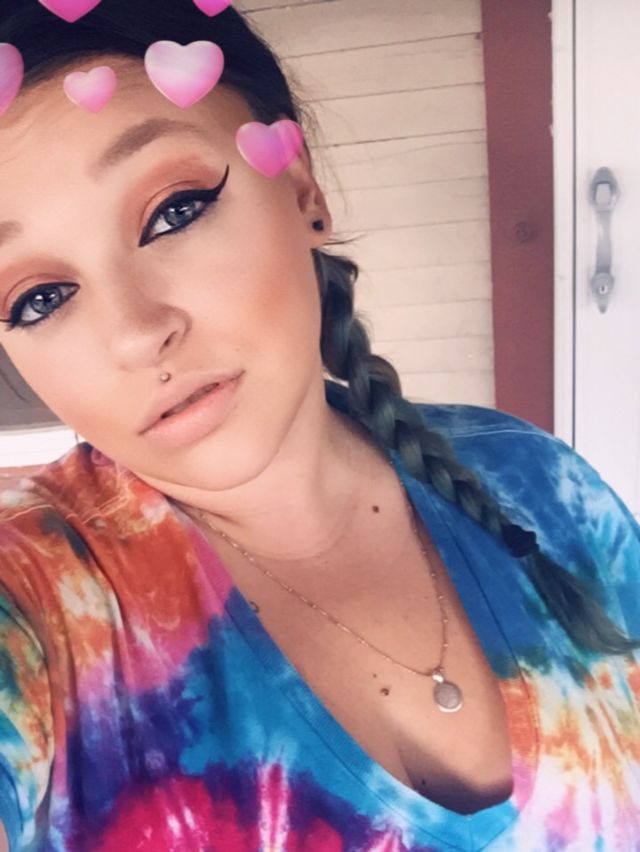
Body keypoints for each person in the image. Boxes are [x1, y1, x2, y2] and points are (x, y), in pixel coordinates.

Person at [0, 1, 638, 850]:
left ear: (302, 191)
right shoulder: (37, 608)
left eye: (174, 211)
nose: (135, 333)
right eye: (38, 297)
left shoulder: (541, 484)